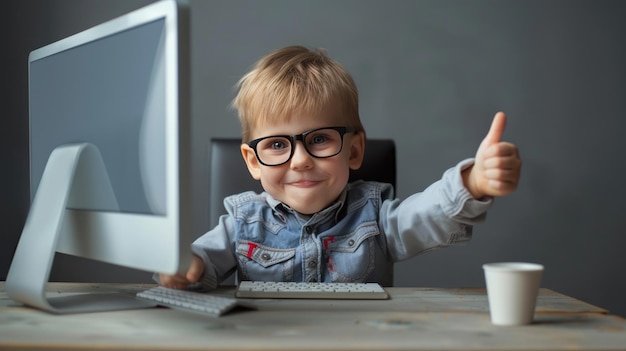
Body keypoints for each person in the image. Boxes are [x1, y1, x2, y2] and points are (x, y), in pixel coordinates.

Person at [159, 45, 521, 289]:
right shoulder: (241, 224)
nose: (300, 160)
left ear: (354, 150)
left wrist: (473, 182)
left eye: (319, 139)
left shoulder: (376, 218)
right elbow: (200, 261)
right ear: (253, 161)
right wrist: (184, 267)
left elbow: (428, 214)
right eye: (277, 145)